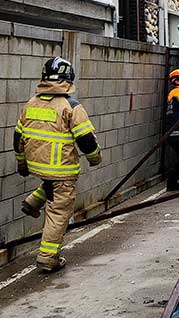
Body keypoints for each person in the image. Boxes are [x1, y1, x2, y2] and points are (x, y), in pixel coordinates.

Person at [14, 56, 102, 272]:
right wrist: (95, 158)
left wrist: (22, 164)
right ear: (68, 78)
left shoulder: (31, 104)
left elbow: (18, 138)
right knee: (59, 211)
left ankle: (32, 202)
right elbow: (86, 140)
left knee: (51, 185)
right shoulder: (71, 106)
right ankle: (47, 258)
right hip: (61, 169)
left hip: (37, 165)